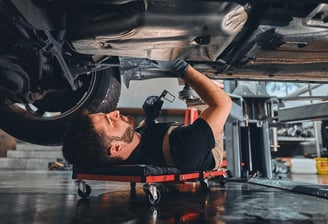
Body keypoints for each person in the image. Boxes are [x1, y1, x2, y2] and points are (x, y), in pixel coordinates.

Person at [62, 59, 232, 172]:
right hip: (206, 150)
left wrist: (150, 118)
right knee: (203, 88)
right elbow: (223, 104)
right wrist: (180, 67)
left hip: (163, 137)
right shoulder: (185, 146)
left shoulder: (123, 150)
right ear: (116, 148)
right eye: (111, 120)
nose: (115, 112)